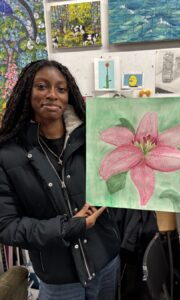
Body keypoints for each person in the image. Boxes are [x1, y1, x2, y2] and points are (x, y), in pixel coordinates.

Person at [0, 59, 120, 300]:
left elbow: (139, 172)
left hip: (106, 263)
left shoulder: (95, 140)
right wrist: (67, 227)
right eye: (42, 86)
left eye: (61, 89)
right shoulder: (8, 155)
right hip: (59, 279)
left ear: (69, 95)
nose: (52, 94)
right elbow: (6, 226)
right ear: (26, 91)